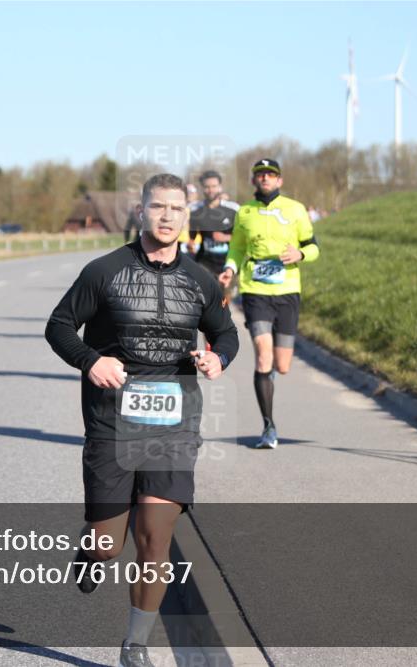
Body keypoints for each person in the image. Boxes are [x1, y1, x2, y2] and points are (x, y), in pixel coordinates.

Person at [46, 173, 239, 667]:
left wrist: (218, 359)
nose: (168, 216)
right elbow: (59, 326)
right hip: (111, 421)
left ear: (186, 215)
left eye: (177, 208)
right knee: (109, 545)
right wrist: (92, 361)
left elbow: (226, 334)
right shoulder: (103, 271)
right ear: (141, 211)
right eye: (159, 207)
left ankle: (135, 646)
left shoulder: (198, 280)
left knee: (155, 538)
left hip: (174, 424)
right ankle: (92, 551)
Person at [218, 158, 319, 449]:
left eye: (270, 175)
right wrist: (231, 268)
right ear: (254, 181)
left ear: (279, 181)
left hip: (288, 290)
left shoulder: (295, 209)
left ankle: (272, 374)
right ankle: (269, 426)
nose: (265, 178)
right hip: (255, 290)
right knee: (263, 356)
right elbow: (236, 247)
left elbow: (313, 246)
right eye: (260, 175)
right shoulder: (245, 212)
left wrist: (300, 255)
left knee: (282, 365)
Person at [188, 170, 239, 277]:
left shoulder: (233, 209)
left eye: (214, 186)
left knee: (227, 294)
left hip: (228, 263)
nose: (210, 190)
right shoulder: (195, 211)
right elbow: (192, 237)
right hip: (204, 263)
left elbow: (243, 237)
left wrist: (226, 237)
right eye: (207, 187)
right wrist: (191, 244)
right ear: (202, 188)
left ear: (220, 187)